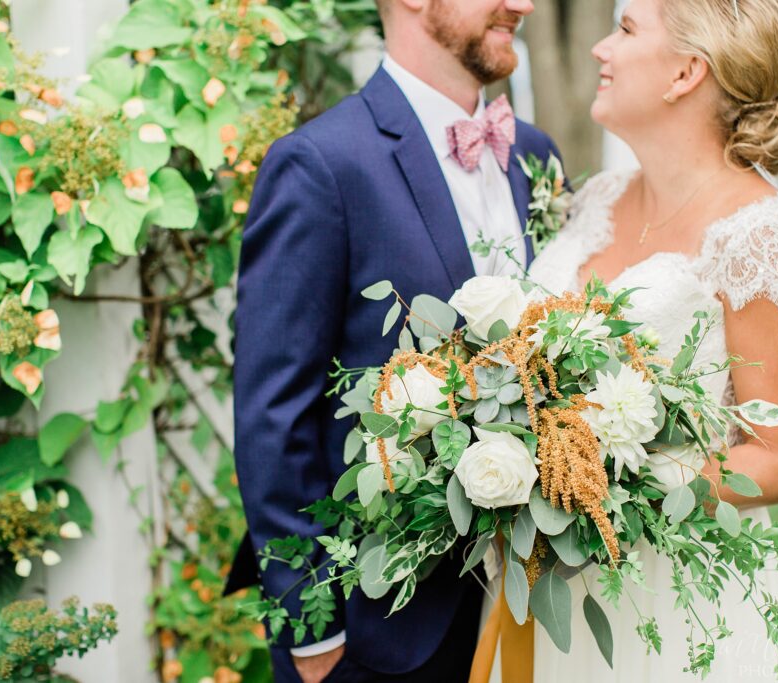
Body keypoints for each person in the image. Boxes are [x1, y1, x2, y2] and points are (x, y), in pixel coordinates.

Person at [224, 1, 563, 681]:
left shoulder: (534, 155)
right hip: (380, 627)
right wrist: (310, 626)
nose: (523, 4)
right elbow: (272, 412)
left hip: (538, 604)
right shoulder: (320, 163)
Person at [505, 0, 778, 679]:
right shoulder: (593, 199)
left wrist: (619, 499)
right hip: (548, 587)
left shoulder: (764, 240)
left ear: (687, 70)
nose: (602, 49)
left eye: (625, 29)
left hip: (672, 596)